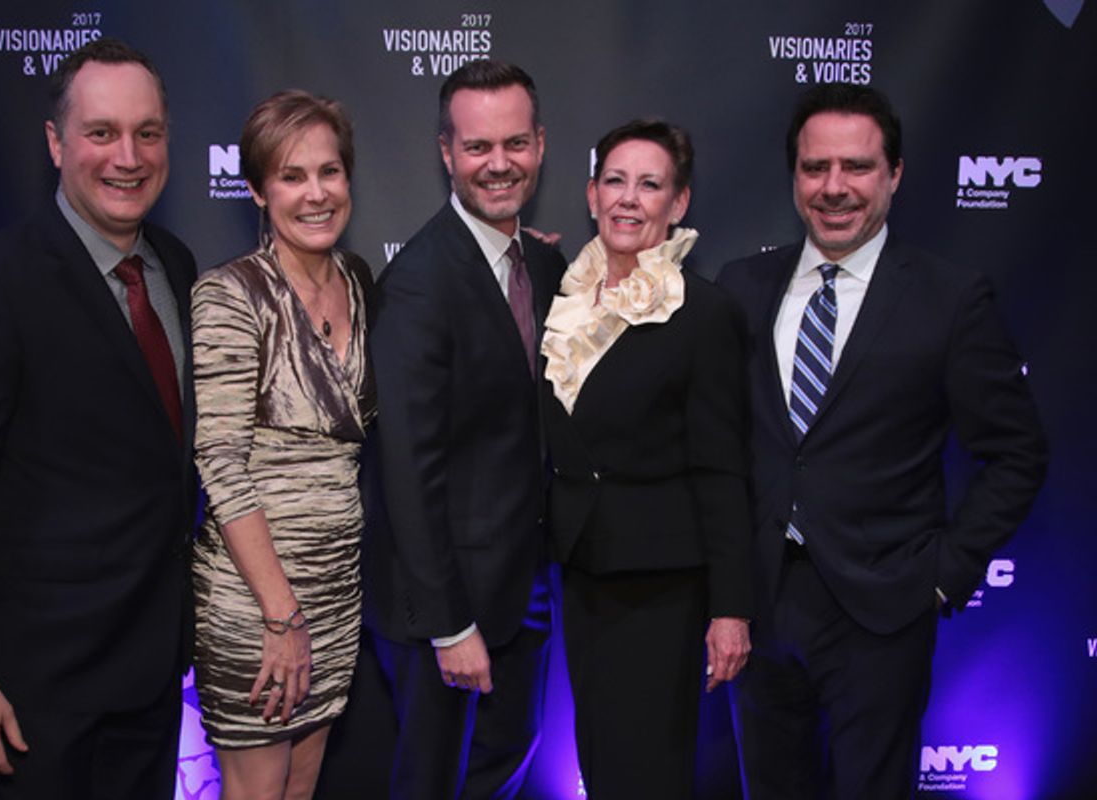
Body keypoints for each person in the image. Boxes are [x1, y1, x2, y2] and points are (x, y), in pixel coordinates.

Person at [717, 83, 1049, 799]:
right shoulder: (742, 287)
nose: (834, 187)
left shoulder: (950, 299)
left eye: (857, 167)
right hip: (761, 607)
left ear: (894, 174)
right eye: (815, 168)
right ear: (794, 175)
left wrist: (945, 572)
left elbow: (1019, 452)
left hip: (883, 610)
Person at [0, 39, 196, 798]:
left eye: (148, 132)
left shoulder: (176, 265)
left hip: (154, 676)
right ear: (56, 142)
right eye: (101, 133)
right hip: (37, 696)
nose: (128, 156)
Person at [361, 60, 566, 799]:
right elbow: (407, 470)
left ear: (541, 145)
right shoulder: (417, 283)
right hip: (443, 613)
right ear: (446, 152)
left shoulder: (541, 265)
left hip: (523, 591)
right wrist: (449, 626)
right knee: (434, 783)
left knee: (502, 768)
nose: (499, 163)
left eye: (515, 143)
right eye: (478, 147)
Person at [539, 119, 753, 798]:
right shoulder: (566, 299)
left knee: (649, 769)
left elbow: (723, 467)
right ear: (591, 194)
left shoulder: (705, 313)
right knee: (600, 760)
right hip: (582, 571)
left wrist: (731, 608)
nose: (629, 199)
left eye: (650, 185)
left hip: (662, 584)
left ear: (679, 203)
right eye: (615, 181)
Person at [189, 90, 375, 799]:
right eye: (293, 177)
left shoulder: (359, 283)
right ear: (260, 191)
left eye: (330, 172)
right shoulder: (230, 296)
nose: (316, 194)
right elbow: (221, 465)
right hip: (257, 602)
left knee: (300, 791)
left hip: (336, 595)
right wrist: (281, 615)